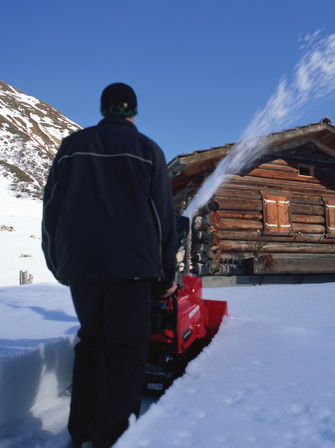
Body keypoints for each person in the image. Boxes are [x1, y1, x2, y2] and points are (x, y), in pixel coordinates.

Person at [42, 83, 178, 448]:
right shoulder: (148, 150)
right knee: (127, 352)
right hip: (132, 271)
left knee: (91, 343)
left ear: (103, 109)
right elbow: (163, 218)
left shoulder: (71, 148)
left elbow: (51, 209)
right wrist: (168, 274)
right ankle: (114, 438)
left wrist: (58, 263)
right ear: (133, 111)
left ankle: (82, 431)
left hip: (83, 269)